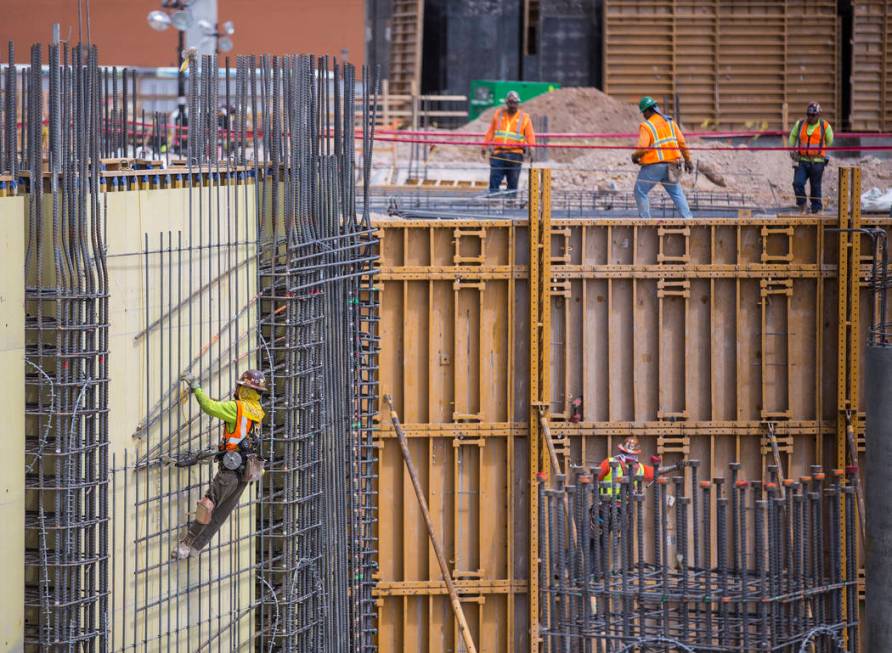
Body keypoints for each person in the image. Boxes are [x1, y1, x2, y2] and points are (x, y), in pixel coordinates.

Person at [172, 369, 268, 560]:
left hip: (230, 470)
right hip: (247, 471)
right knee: (222, 512)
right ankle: (197, 547)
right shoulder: (257, 410)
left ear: (243, 388)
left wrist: (196, 388)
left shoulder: (237, 408)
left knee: (209, 504)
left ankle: (186, 543)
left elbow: (209, 407)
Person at [631, 96, 693, 219]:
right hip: (673, 165)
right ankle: (688, 219)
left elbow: (642, 148)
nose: (644, 115)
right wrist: (688, 160)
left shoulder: (647, 126)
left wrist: (635, 156)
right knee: (676, 193)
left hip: (655, 166)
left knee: (640, 191)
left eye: (644, 112)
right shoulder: (670, 122)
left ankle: (645, 222)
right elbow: (682, 143)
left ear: (648, 110)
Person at [482, 91, 536, 195]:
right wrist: (484, 146)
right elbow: (490, 132)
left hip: (515, 154)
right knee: (494, 180)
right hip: (498, 154)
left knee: (513, 182)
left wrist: (532, 148)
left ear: (518, 103)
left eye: (514, 102)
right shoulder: (498, 114)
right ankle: (493, 203)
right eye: (510, 102)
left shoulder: (524, 117)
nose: (512, 105)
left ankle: (510, 204)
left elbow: (530, 135)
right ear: (507, 103)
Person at [789, 102, 834, 214]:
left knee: (815, 186)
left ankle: (816, 208)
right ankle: (802, 205)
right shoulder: (800, 125)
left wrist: (820, 151)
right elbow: (793, 136)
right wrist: (792, 148)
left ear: (818, 115)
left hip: (818, 162)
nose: (810, 117)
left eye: (813, 115)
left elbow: (830, 141)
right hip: (803, 161)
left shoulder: (825, 126)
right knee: (797, 183)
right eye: (808, 114)